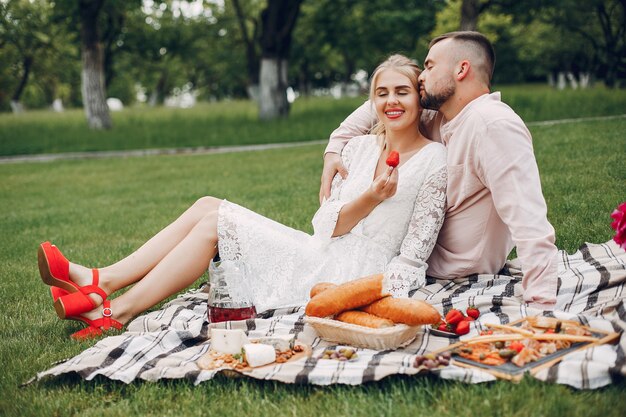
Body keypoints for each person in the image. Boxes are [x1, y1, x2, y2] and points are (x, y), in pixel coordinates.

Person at [38, 54, 448, 340]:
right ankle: (102, 284)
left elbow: (413, 257)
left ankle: (112, 304)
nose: (391, 102)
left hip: (352, 276)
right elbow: (325, 223)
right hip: (321, 248)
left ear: (419, 98)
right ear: (371, 101)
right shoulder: (358, 150)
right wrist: (370, 197)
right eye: (382, 93)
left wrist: (372, 302)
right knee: (207, 205)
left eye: (402, 92)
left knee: (214, 222)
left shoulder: (434, 161)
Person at [320, 31, 558, 310]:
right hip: (401, 264)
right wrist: (333, 150)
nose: (421, 76)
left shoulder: (493, 126)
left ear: (461, 69)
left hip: (453, 278)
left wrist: (540, 303)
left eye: (430, 66)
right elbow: (380, 103)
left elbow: (529, 221)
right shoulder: (440, 116)